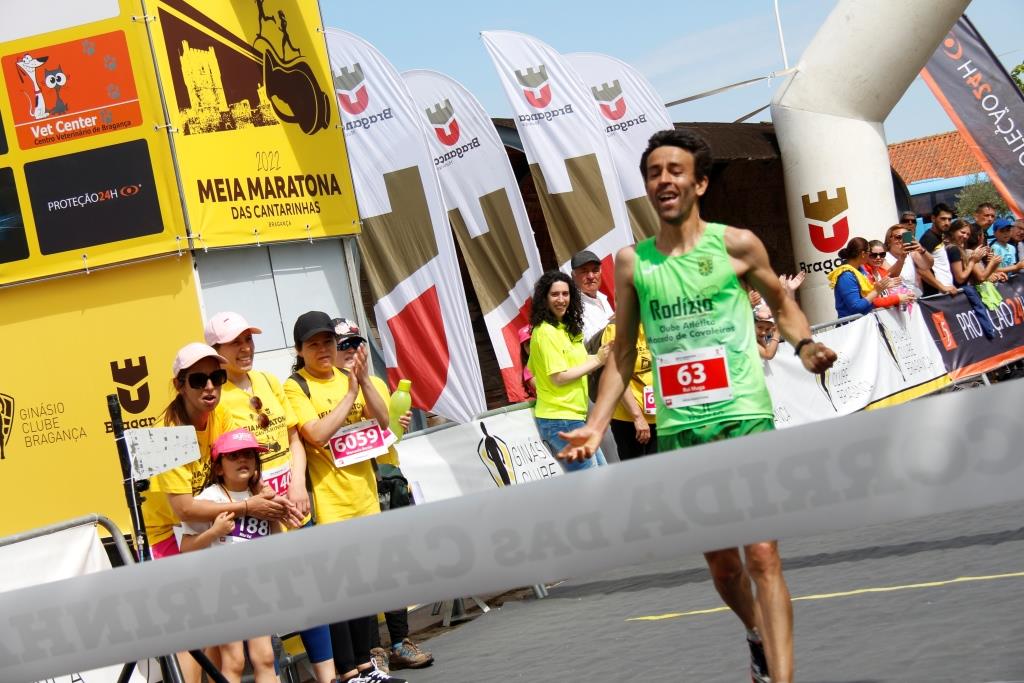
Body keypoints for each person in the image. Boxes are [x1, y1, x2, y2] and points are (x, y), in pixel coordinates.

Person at [559, 129, 836, 683]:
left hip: (744, 415)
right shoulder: (632, 263)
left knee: (762, 555)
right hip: (683, 428)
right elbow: (620, 353)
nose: (664, 180)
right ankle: (755, 634)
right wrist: (594, 425)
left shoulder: (737, 245)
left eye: (676, 170)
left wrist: (805, 345)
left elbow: (782, 303)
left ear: (700, 183)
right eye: (654, 172)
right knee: (725, 566)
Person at [141, 343, 290, 683]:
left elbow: (240, 460)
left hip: (210, 526)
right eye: (198, 380)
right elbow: (184, 508)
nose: (209, 387)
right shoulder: (166, 433)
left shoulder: (219, 414)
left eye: (216, 377)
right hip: (171, 535)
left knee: (223, 647)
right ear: (180, 385)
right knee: (193, 638)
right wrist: (248, 506)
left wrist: (267, 497)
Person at [204, 312, 335, 683]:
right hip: (256, 510)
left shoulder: (268, 381)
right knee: (265, 606)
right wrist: (261, 496)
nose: (245, 348)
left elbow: (294, 438)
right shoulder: (217, 400)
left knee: (308, 593)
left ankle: (328, 678)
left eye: (248, 339)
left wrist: (297, 485)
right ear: (216, 351)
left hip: (292, 499)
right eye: (235, 342)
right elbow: (224, 459)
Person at [283, 311, 406, 683]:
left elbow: (382, 421)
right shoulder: (296, 386)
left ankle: (367, 667)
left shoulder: (348, 377)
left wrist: (363, 381)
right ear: (300, 350)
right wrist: (351, 393)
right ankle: (348, 670)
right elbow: (316, 434)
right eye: (313, 344)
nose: (323, 350)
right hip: (329, 502)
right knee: (338, 590)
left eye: (327, 342)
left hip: (364, 496)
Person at [329, 318, 434, 673]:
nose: (351, 350)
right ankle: (373, 649)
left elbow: (389, 434)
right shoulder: (325, 389)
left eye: (355, 343)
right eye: (343, 344)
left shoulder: (373, 382)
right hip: (349, 490)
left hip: (387, 480)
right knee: (362, 572)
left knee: (391, 566)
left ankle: (400, 641)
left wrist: (393, 425)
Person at [180, 428, 279, 683]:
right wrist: (214, 532)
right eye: (233, 455)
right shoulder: (210, 498)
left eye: (249, 454)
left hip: (258, 587)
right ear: (219, 468)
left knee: (266, 657)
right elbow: (185, 548)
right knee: (234, 660)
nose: (243, 459)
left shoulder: (261, 495)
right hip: (221, 590)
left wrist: (273, 510)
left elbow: (277, 540)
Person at [528, 271, 610, 472]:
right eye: (555, 294)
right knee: (593, 482)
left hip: (572, 418)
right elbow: (559, 377)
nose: (561, 299)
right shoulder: (545, 331)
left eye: (565, 294)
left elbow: (536, 371)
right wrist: (598, 360)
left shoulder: (564, 328)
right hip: (561, 421)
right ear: (544, 298)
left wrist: (604, 354)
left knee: (602, 476)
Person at [600, 322, 656, 459]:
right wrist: (638, 418)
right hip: (628, 419)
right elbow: (616, 377)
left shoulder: (655, 325)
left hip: (658, 415)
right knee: (636, 470)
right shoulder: (615, 330)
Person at [827, 237, 912, 317]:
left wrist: (882, 287)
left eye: (882, 254)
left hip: (867, 322)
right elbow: (856, 307)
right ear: (863, 254)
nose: (878, 258)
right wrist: (877, 291)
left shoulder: (860, 271)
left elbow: (868, 294)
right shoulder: (846, 276)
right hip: (853, 324)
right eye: (870, 253)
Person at [570, 249, 614, 344]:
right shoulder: (572, 307)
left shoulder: (602, 298)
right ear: (573, 275)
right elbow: (587, 344)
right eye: (584, 271)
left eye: (595, 270)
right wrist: (614, 322)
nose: (591, 276)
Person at [918, 203, 958, 296]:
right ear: (933, 218)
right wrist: (941, 287)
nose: (947, 223)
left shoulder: (938, 237)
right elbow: (921, 269)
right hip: (938, 294)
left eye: (949, 219)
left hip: (946, 291)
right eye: (943, 219)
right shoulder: (929, 238)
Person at [883, 224, 930, 297]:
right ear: (889, 240)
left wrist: (922, 250)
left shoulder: (912, 254)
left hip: (915, 298)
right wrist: (902, 258)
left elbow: (928, 265)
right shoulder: (883, 257)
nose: (902, 240)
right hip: (899, 300)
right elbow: (890, 276)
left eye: (905, 237)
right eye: (898, 237)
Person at [518, 324, 537, 399]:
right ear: (524, 349)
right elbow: (543, 388)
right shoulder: (528, 369)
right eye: (528, 344)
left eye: (533, 341)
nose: (531, 346)